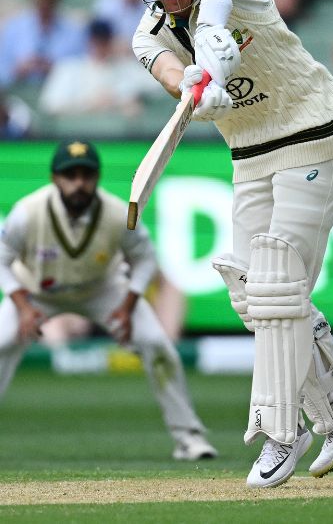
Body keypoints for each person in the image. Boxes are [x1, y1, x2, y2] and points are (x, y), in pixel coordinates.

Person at [127, 0, 333, 489]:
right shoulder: (148, 34)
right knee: (252, 292)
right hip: (250, 153)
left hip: (314, 130)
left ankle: (280, 433)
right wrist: (195, 78)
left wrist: (214, 27)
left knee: (277, 287)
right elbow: (170, 71)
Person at [0, 140, 217, 462]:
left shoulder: (117, 213)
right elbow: (2, 258)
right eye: (69, 175)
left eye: (86, 175)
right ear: (54, 178)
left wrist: (128, 306)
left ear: (97, 176)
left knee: (157, 344)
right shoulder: (28, 213)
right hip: (37, 291)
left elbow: (144, 259)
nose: (78, 183)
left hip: (102, 289)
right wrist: (24, 307)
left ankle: (189, 437)